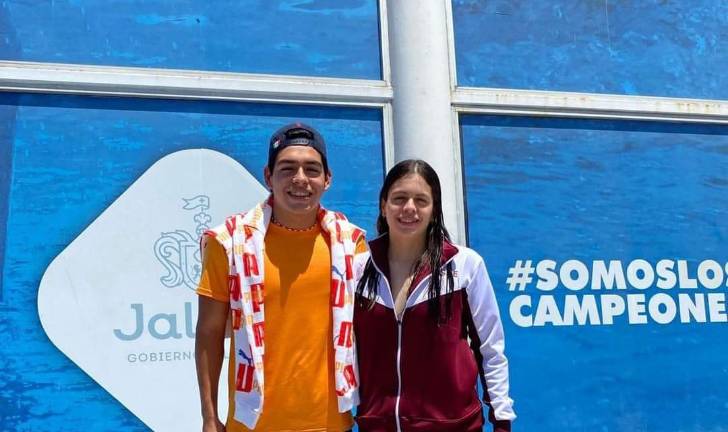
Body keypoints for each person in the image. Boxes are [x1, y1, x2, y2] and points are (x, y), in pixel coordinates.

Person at [195, 123, 366, 432]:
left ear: (327, 179)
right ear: (268, 176)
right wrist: (209, 417)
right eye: (287, 169)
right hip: (252, 425)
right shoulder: (229, 243)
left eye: (312, 169)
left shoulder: (351, 244)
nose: (300, 179)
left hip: (331, 423)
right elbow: (209, 334)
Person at [353, 159, 515, 432]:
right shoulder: (358, 269)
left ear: (434, 209)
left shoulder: (464, 265)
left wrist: (501, 420)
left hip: (454, 426)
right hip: (378, 425)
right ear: (383, 205)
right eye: (399, 198)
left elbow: (490, 349)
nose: (409, 208)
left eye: (421, 200)